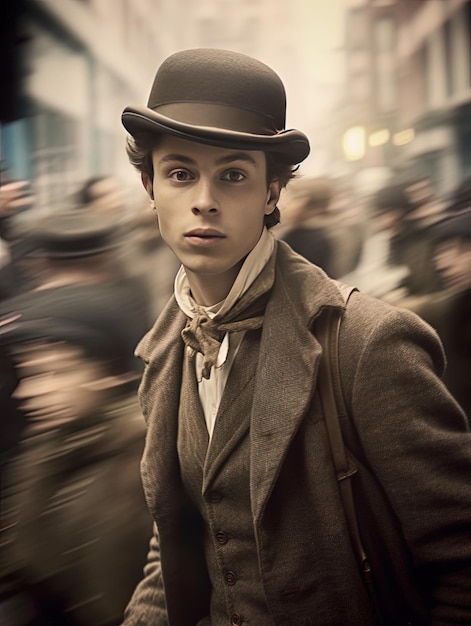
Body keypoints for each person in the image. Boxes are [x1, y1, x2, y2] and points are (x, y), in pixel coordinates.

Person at [119, 48, 471, 625]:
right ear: (150, 186)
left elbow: (461, 558)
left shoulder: (365, 343)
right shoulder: (164, 351)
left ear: (272, 193)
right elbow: (182, 536)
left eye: (233, 175)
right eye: (180, 173)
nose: (203, 199)